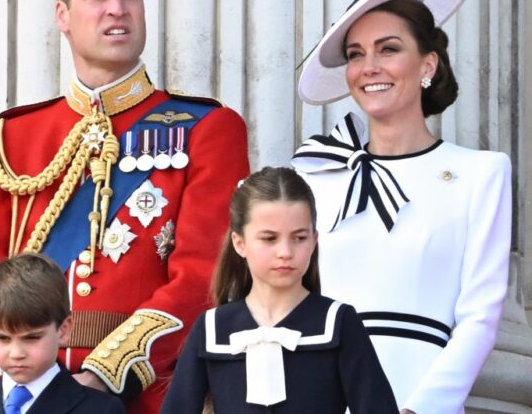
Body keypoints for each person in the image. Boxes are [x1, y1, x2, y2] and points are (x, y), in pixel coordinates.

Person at [0, 0, 249, 412]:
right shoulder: (10, 138)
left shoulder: (206, 129)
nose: (118, 7)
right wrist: (32, 377)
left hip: (148, 398)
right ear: (63, 15)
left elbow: (205, 275)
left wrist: (106, 373)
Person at [292, 0, 510, 413]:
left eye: (388, 49)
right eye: (355, 55)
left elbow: (480, 317)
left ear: (427, 65)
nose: (368, 67)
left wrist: (420, 409)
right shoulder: (314, 176)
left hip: (421, 393)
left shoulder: (481, 173)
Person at [160, 167, 397, 413]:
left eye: (299, 238)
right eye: (269, 239)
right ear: (239, 243)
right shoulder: (211, 329)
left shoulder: (339, 323)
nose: (285, 251)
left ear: (315, 241)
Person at [0, 253, 125, 414]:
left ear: (64, 330)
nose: (16, 353)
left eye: (32, 338)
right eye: (2, 338)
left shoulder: (101, 410)